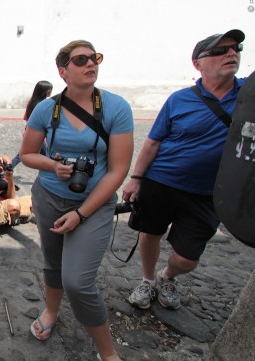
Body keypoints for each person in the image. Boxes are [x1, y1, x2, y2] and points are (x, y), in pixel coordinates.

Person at [20, 40, 133, 361]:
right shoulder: (46, 109)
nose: (90, 64)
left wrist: (81, 214)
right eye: (81, 59)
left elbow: (118, 169)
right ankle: (52, 312)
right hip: (50, 198)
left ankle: (107, 353)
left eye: (95, 57)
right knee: (53, 264)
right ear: (63, 71)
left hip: (94, 205)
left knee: (78, 282)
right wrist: (54, 165)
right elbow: (27, 155)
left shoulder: (116, 108)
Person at [124, 29, 246, 312]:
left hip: (208, 192)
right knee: (150, 233)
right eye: (219, 50)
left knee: (187, 258)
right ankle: (147, 280)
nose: (231, 53)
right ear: (198, 64)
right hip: (161, 181)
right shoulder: (179, 99)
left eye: (235, 47)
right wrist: (136, 179)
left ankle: (167, 276)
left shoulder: (247, 96)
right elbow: (152, 142)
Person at [12, 80, 53, 168]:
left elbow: (25, 118)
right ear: (46, 92)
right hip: (39, 135)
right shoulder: (44, 105)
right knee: (48, 157)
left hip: (29, 131)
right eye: (50, 90)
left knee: (22, 154)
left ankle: (7, 168)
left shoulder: (31, 103)